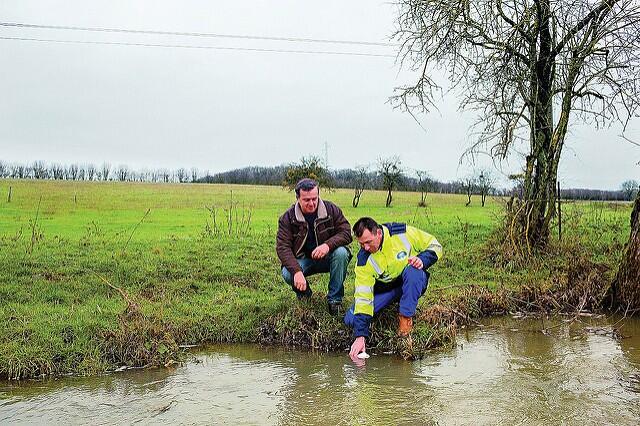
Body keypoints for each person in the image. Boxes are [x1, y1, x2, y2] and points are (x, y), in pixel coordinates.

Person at [345, 217, 442, 360]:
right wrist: (360, 336)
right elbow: (363, 296)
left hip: (411, 281)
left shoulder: (401, 233)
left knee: (413, 271)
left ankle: (405, 318)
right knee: (350, 319)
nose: (365, 247)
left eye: (368, 242)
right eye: (361, 244)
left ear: (378, 233)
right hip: (387, 291)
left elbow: (436, 245)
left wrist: (422, 259)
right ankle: (397, 300)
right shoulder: (364, 260)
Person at [276, 178, 352, 315]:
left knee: (341, 253)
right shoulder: (287, 218)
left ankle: (335, 301)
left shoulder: (331, 209)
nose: (311, 203)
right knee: (288, 273)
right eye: (306, 200)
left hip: (328, 257)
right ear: (297, 198)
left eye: (314, 199)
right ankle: (305, 296)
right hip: (303, 261)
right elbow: (283, 248)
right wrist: (297, 271)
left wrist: (327, 246)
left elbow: (346, 232)